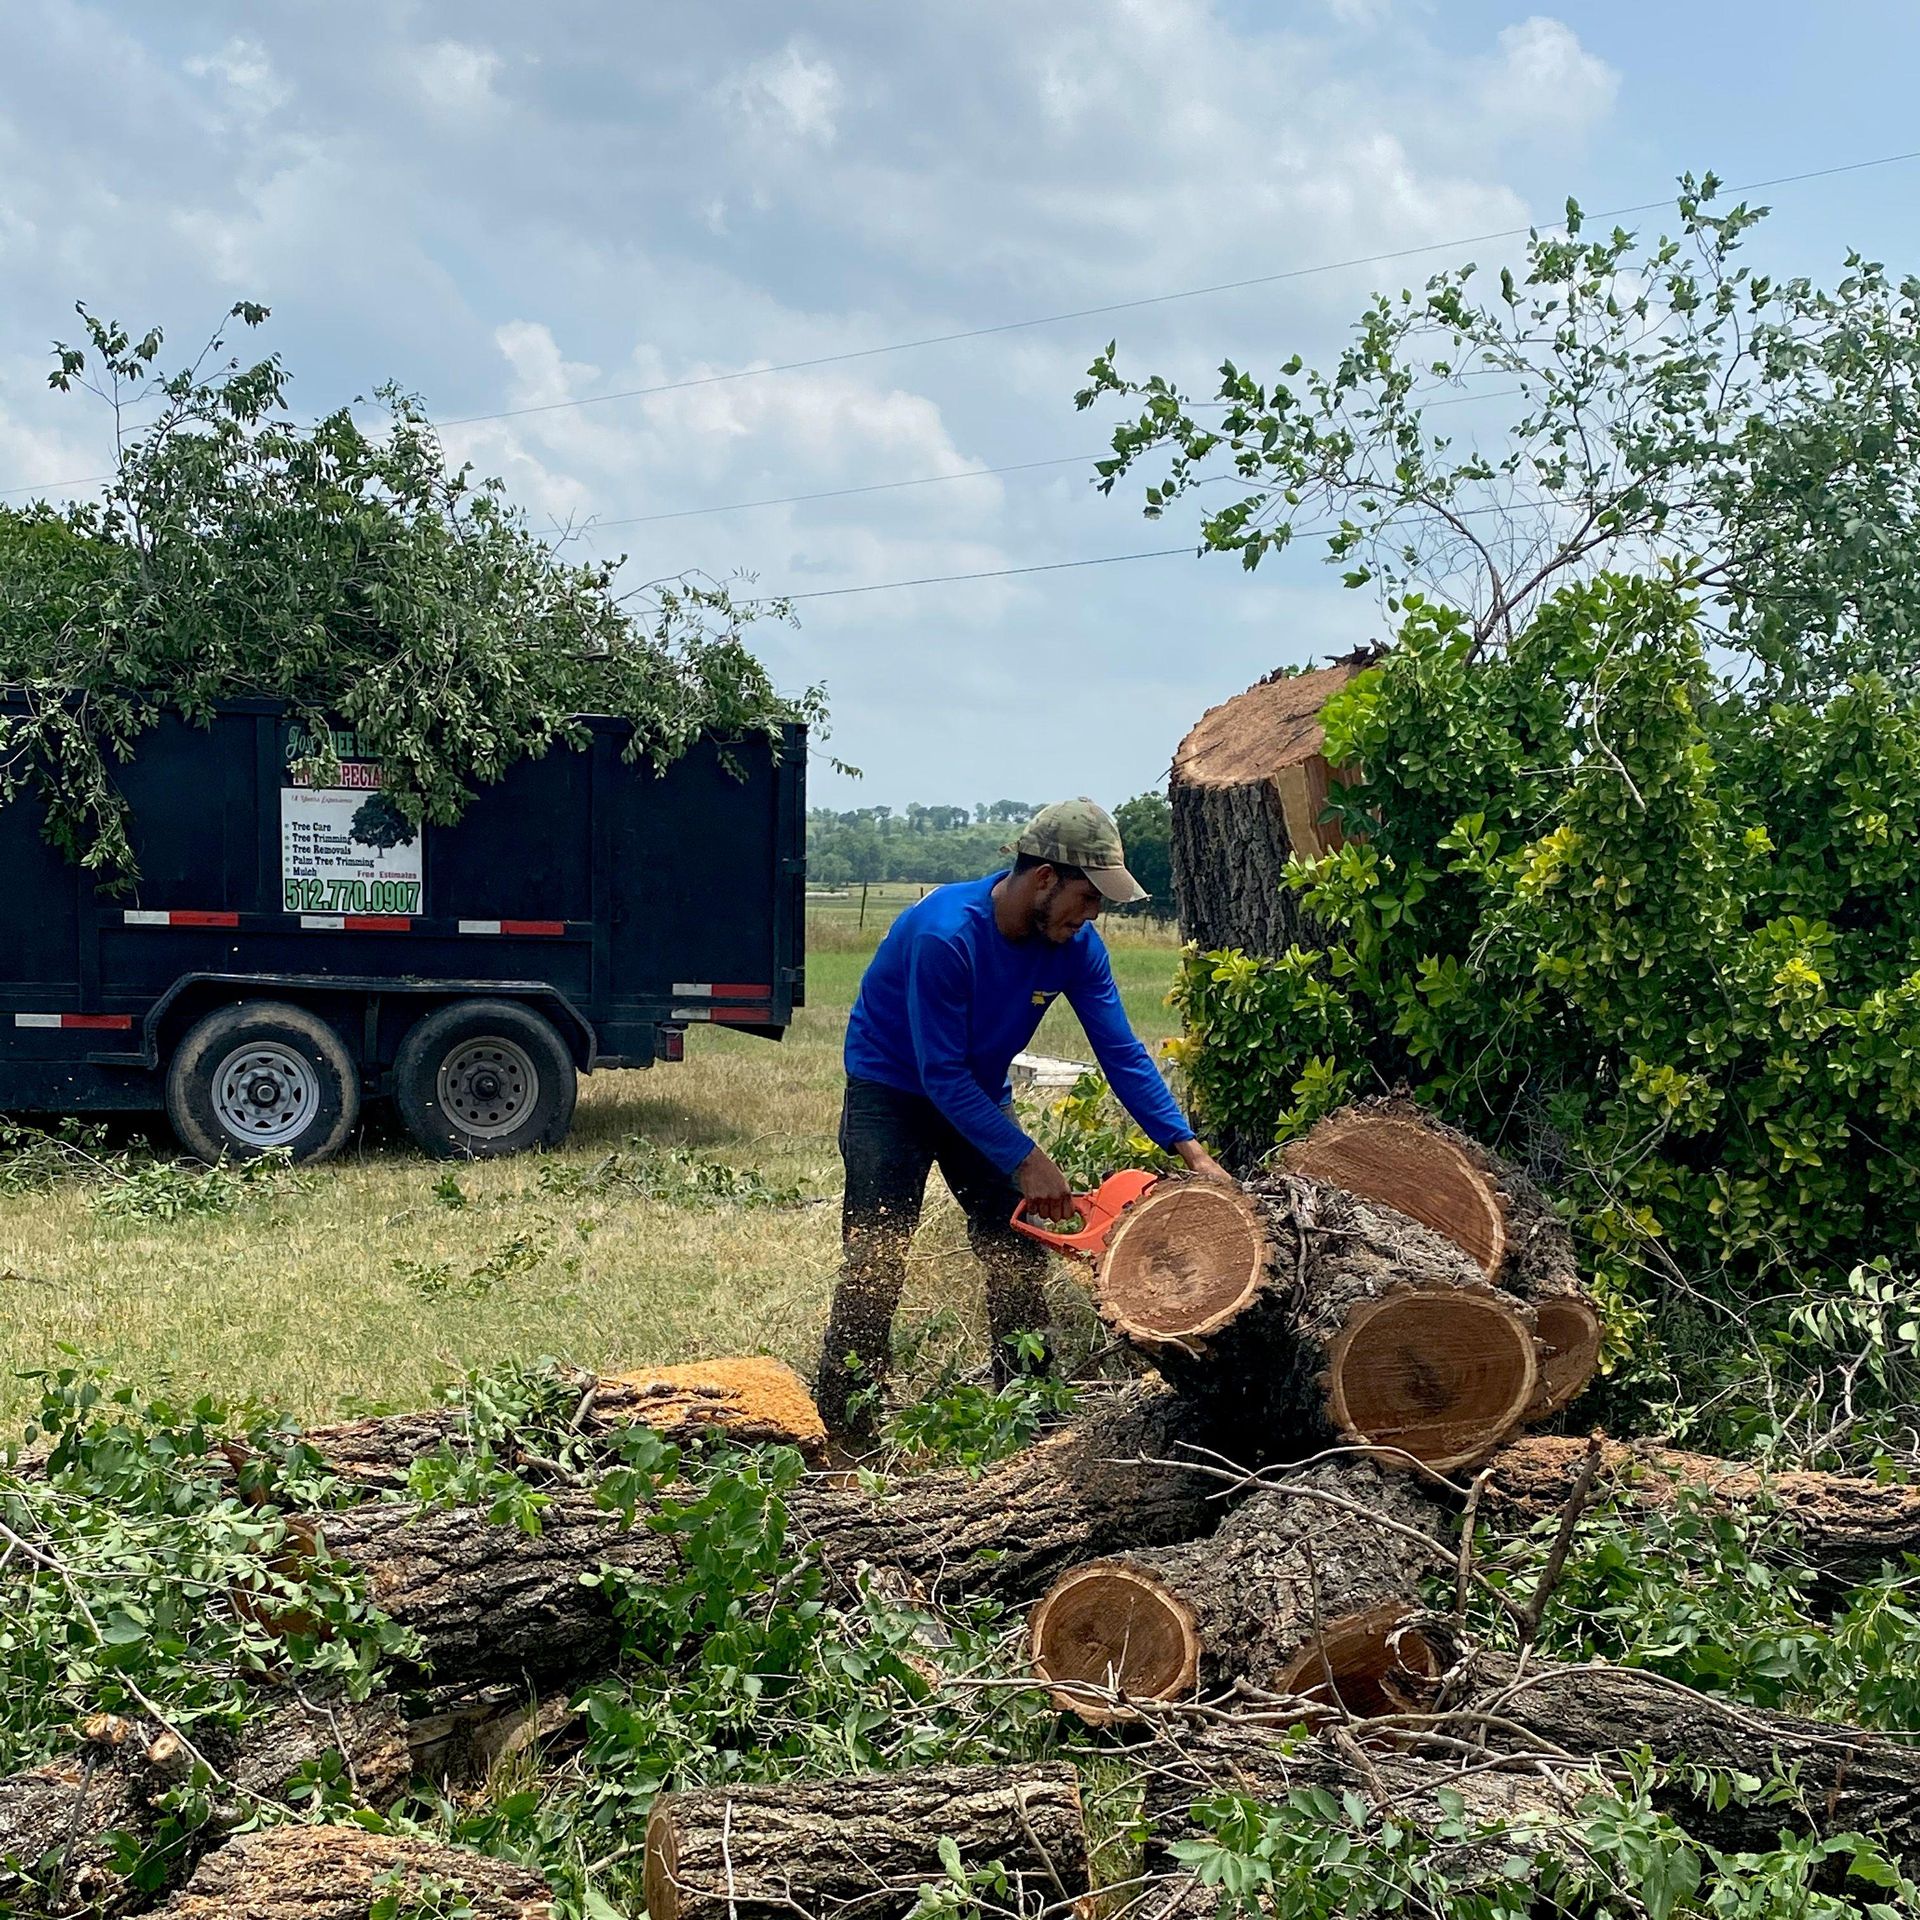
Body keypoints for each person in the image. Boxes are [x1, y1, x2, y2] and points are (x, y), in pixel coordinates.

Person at [815, 796, 1230, 1438]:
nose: (1092, 916)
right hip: (892, 1090)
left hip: (976, 1088)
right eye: (1088, 898)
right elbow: (939, 1074)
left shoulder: (1075, 947)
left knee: (1014, 1247)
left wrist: (1191, 1152)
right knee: (879, 1251)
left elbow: (1120, 1052)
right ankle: (847, 1422)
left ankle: (1023, 1406)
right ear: (1044, 878)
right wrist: (1026, 1157)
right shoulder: (945, 935)